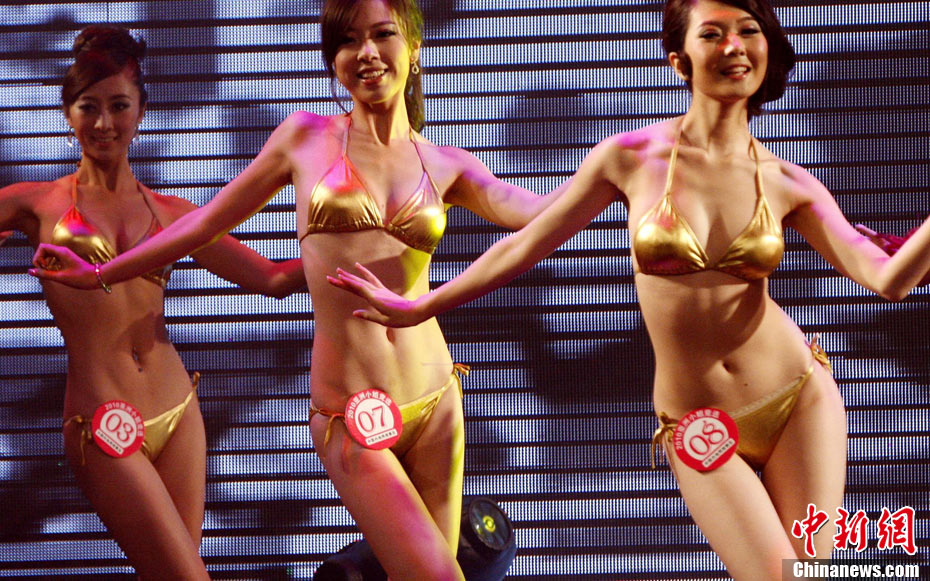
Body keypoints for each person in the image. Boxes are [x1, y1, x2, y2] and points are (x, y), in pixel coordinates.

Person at [324, 0, 930, 577]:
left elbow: (890, 279)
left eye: (748, 31)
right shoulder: (631, 158)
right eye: (713, 33)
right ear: (680, 59)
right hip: (696, 416)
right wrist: (421, 305)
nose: (734, 46)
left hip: (798, 396)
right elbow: (524, 244)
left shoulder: (790, 182)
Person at [29, 1, 565, 578]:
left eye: (382, 35)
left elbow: (541, 214)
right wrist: (101, 273)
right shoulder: (305, 138)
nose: (366, 53)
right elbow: (205, 223)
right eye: (347, 41)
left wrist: (616, 171)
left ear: (412, 46)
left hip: (436, 396)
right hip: (349, 409)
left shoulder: (447, 163)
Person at [1, 25, 306, 579]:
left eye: (119, 106)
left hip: (178, 411)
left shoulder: (173, 214)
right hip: (103, 416)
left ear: (141, 111)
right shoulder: (35, 203)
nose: (103, 123)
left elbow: (271, 279)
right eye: (88, 107)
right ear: (68, 114)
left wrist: (358, 255)